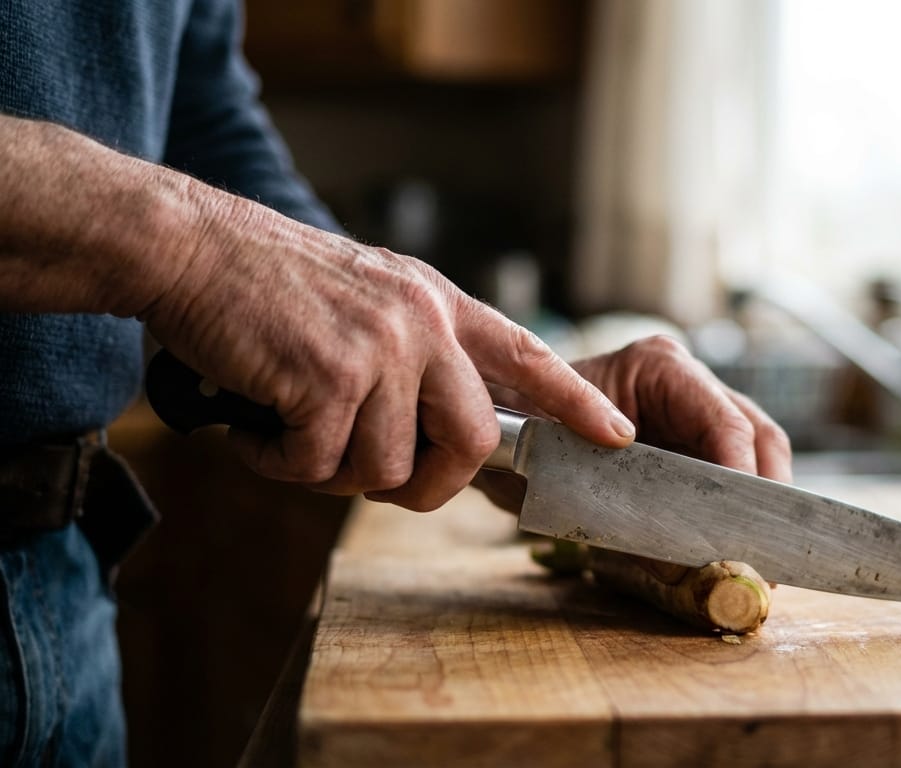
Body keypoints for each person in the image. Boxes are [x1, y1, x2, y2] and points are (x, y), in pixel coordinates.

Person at [0, 2, 791, 765]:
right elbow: (208, 229)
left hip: (60, 580)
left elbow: (204, 111)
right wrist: (189, 248)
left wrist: (474, 390)